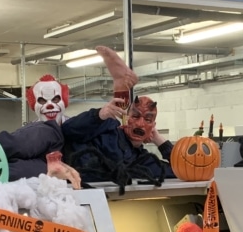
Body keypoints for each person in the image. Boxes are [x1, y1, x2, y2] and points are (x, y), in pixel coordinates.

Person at [63, 47, 175, 187]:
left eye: (148, 120)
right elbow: (68, 130)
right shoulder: (108, 128)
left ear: (153, 126)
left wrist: (160, 141)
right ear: (126, 118)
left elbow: (183, 170)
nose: (140, 124)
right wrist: (99, 115)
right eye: (135, 116)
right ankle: (122, 83)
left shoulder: (144, 161)